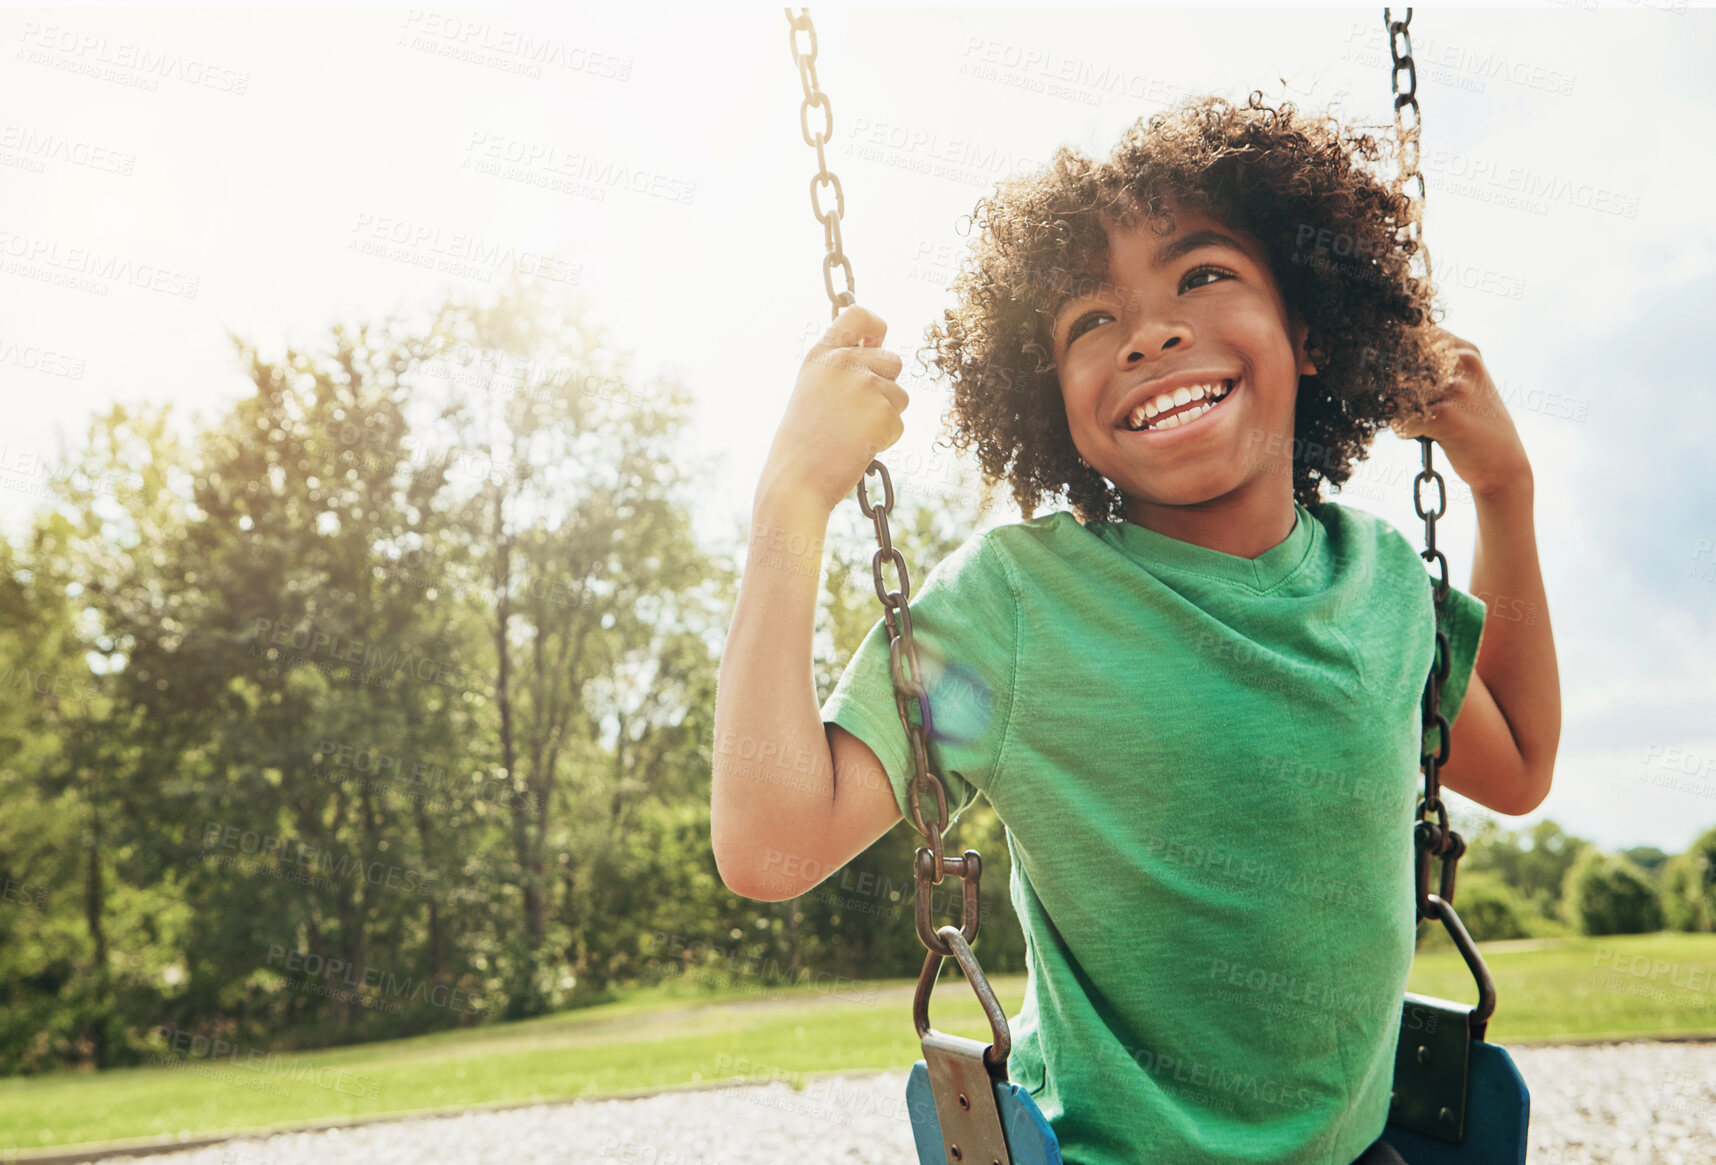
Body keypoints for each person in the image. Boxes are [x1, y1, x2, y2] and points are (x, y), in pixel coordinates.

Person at [711, 92, 1560, 1165]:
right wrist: (792, 496)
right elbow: (770, 843)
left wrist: (1505, 485)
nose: (1151, 331)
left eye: (1203, 275)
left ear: (1308, 329)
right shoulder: (1018, 607)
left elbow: (1521, 763)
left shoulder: (1383, 580)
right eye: (1088, 320)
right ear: (1048, 399)